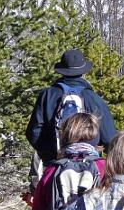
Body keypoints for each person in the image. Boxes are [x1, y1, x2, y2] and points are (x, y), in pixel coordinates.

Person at [25, 48, 117, 194]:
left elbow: (34, 132)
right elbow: (110, 139)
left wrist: (50, 157)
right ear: (83, 71)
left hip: (55, 168)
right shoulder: (93, 99)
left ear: (62, 71)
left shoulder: (47, 95)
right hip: (90, 170)